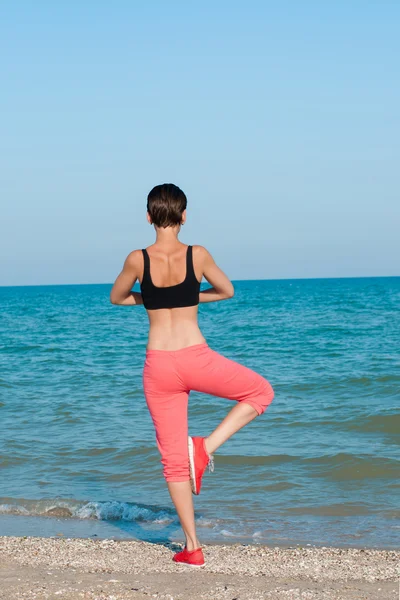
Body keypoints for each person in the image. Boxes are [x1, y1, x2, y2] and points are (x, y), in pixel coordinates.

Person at [110, 183, 274, 567]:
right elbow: (227, 290)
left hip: (159, 366)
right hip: (195, 357)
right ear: (184, 216)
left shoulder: (137, 259)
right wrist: (189, 294)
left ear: (149, 217)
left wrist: (153, 297)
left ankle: (193, 547)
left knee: (172, 460)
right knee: (260, 393)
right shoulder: (197, 254)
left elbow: (117, 297)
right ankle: (206, 447)